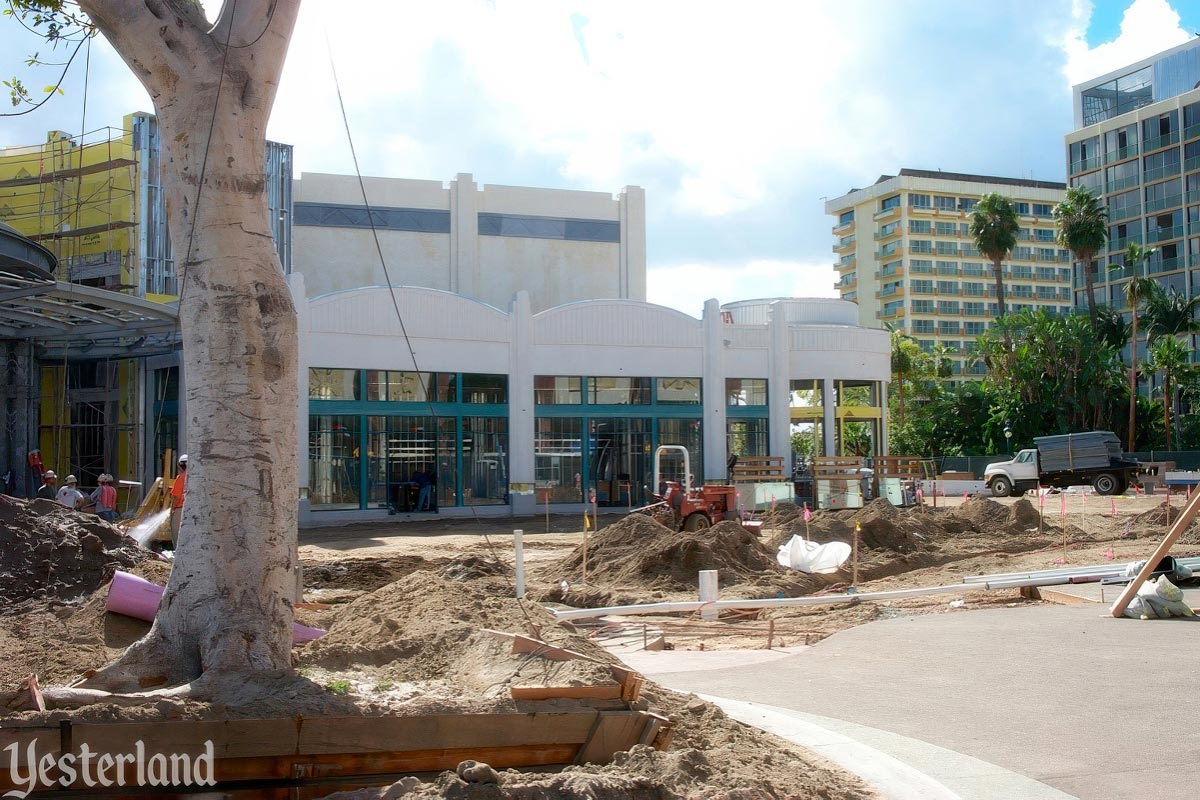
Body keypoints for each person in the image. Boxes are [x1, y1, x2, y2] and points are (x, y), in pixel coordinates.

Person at [170, 454, 187, 541]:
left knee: (177, 537)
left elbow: (176, 497)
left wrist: (171, 511)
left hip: (180, 511)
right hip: (193, 511)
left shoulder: (181, 478)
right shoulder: (195, 477)